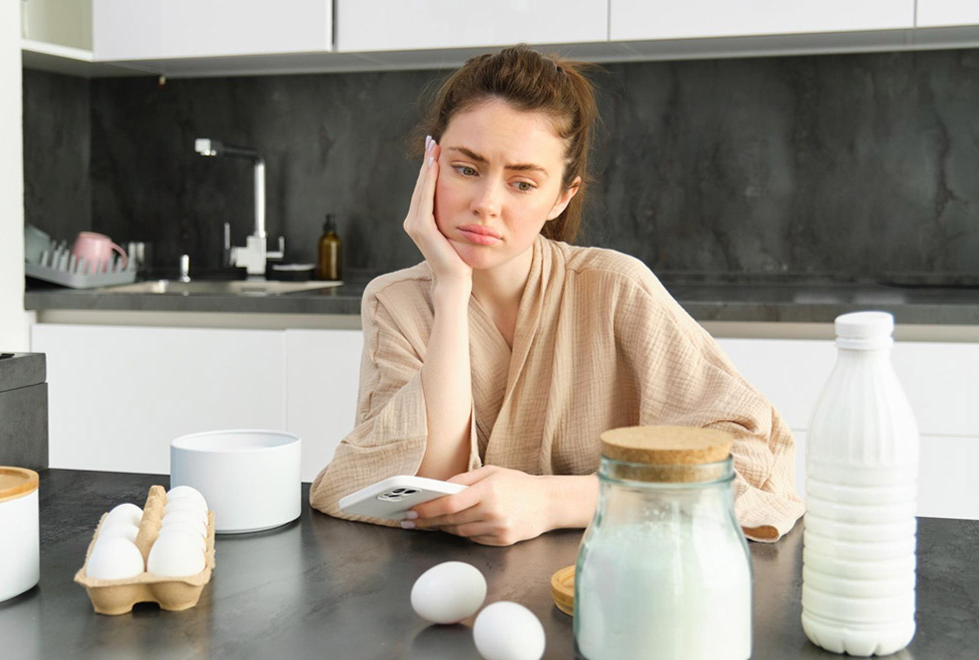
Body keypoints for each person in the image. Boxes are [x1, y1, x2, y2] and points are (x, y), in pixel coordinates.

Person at [309, 44, 804, 546]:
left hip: (614, 582)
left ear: (562, 196)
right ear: (431, 164)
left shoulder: (614, 287)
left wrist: (554, 501)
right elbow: (429, 488)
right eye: (465, 169)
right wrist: (452, 288)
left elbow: (744, 464)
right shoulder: (394, 302)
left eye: (522, 183)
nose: (486, 204)